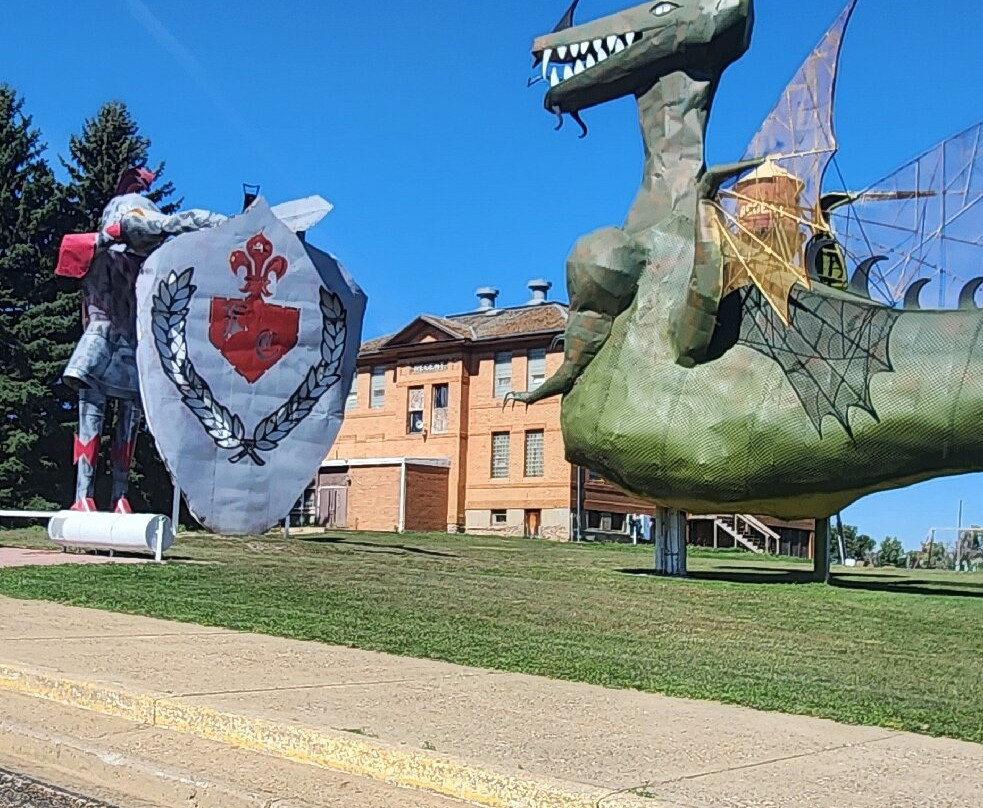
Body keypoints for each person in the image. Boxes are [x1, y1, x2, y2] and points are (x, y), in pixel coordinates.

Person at [56, 167, 226, 513]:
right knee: (92, 417)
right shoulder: (98, 251)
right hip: (101, 340)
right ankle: (82, 495)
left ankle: (120, 494)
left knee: (128, 424)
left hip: (132, 345)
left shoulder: (146, 266)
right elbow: (71, 257)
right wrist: (115, 233)